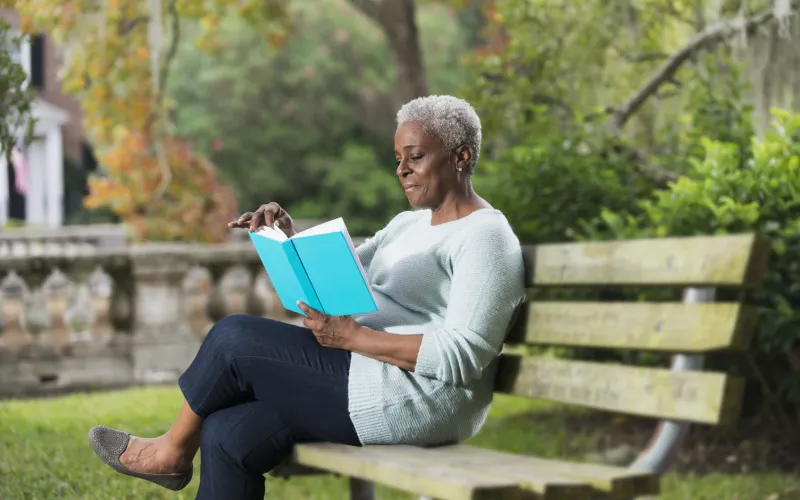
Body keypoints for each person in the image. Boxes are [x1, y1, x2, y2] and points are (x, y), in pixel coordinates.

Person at [88, 95, 526, 499]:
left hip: (421, 397)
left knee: (234, 338)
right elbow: (340, 276)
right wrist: (286, 237)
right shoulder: (408, 224)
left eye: (416, 157)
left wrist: (352, 338)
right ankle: (178, 451)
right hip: (363, 373)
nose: (402, 170)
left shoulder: (485, 237)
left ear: (461, 156)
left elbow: (465, 355)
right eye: (398, 159)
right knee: (227, 431)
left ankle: (170, 453)